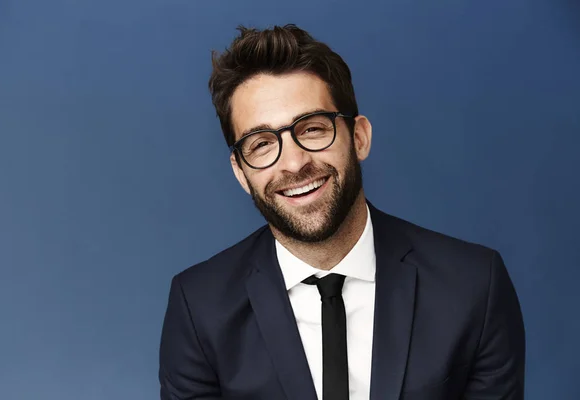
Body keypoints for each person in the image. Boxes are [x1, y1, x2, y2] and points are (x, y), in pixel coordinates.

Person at [159, 24, 525, 400]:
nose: (294, 163)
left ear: (359, 137)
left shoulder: (475, 286)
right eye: (262, 143)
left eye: (313, 129)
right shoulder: (199, 307)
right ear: (240, 171)